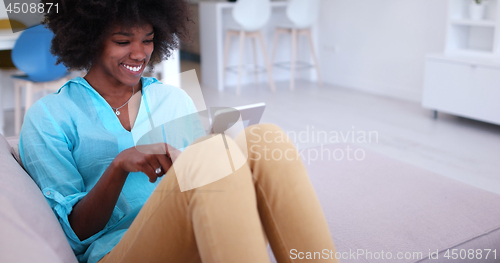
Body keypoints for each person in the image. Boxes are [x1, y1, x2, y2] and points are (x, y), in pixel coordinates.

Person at [19, 0, 337, 262]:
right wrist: (119, 166)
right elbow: (75, 234)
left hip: (192, 230)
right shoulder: (49, 117)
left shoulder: (172, 98)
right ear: (89, 38)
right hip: (118, 252)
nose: (140, 53)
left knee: (264, 138)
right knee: (211, 153)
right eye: (122, 41)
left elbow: (209, 182)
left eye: (148, 39)